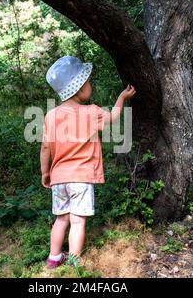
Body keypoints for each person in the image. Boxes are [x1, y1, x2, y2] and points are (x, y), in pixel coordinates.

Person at [41, 55, 136, 268]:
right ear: (80, 88)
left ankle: (54, 257)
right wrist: (122, 97)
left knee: (61, 219)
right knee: (77, 221)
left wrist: (45, 172)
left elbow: (46, 147)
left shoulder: (50, 116)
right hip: (81, 178)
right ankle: (74, 262)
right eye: (88, 82)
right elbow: (113, 116)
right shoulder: (91, 113)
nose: (90, 85)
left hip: (59, 178)